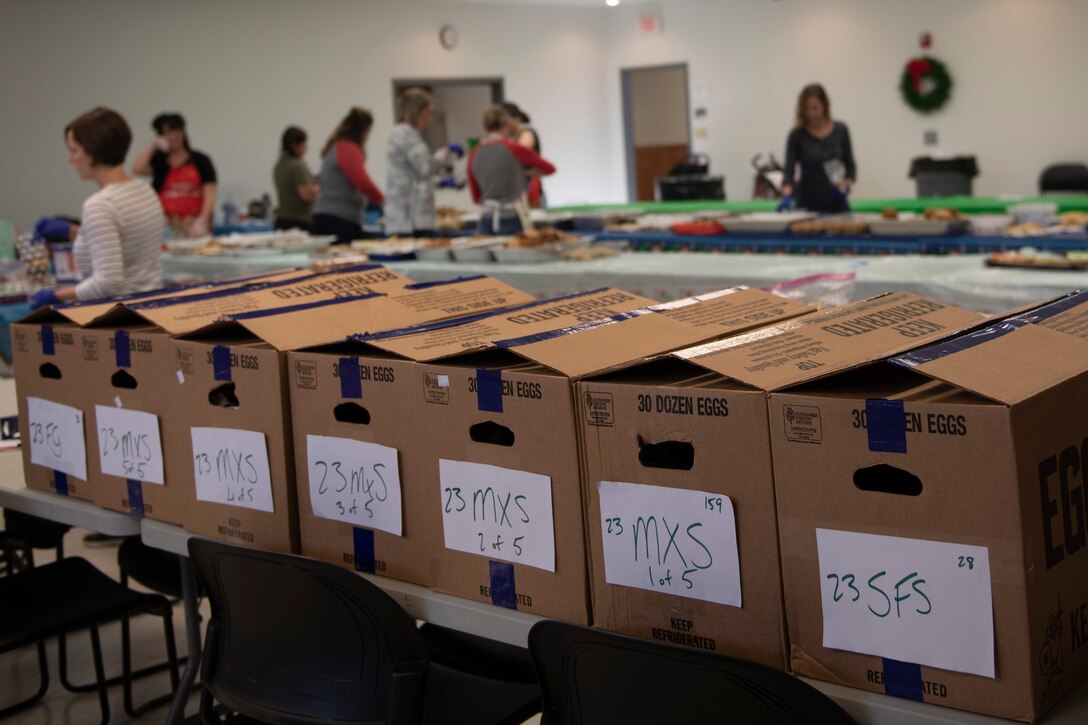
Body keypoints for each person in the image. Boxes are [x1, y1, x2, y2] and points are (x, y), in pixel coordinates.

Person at [29, 107, 164, 309]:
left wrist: (56, 296)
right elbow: (126, 242)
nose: (70, 159)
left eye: (75, 150)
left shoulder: (100, 205)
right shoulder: (144, 190)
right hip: (149, 308)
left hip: (119, 316)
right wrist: (73, 232)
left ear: (93, 151)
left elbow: (107, 283)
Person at [384, 89, 464, 236]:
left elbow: (414, 177)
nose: (429, 118)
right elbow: (424, 168)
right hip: (409, 221)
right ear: (417, 112)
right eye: (428, 113)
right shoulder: (405, 134)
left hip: (409, 217)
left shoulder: (406, 134)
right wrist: (445, 152)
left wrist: (441, 183)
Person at [467, 106, 556, 235]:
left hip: (486, 219)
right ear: (506, 124)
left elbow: (476, 196)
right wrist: (525, 172)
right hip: (512, 219)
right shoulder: (514, 149)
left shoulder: (474, 153)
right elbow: (549, 168)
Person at [132, 112, 217, 236]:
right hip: (166, 227)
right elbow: (137, 169)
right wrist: (152, 146)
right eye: (168, 133)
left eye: (177, 131)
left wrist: (202, 219)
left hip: (195, 225)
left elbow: (210, 191)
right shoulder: (159, 162)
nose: (174, 137)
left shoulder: (201, 160)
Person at [779, 84, 856, 214]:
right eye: (807, 109)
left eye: (815, 108)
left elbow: (850, 167)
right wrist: (787, 196)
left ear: (825, 105)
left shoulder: (840, 130)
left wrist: (845, 185)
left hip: (836, 203)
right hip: (807, 204)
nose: (811, 114)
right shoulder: (797, 135)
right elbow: (788, 173)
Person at [311, 107, 385, 244]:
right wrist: (383, 200)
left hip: (335, 217)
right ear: (363, 130)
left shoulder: (338, 146)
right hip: (336, 220)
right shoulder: (347, 148)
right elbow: (362, 182)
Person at [273, 126, 319, 231]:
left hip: (282, 220)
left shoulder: (280, 165)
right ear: (295, 145)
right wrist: (320, 187)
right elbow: (306, 195)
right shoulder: (297, 166)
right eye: (304, 144)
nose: (306, 148)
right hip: (299, 223)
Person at [501, 101, 545, 208]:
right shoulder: (507, 138)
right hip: (514, 192)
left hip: (530, 191)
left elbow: (520, 152)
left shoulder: (527, 133)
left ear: (516, 119)